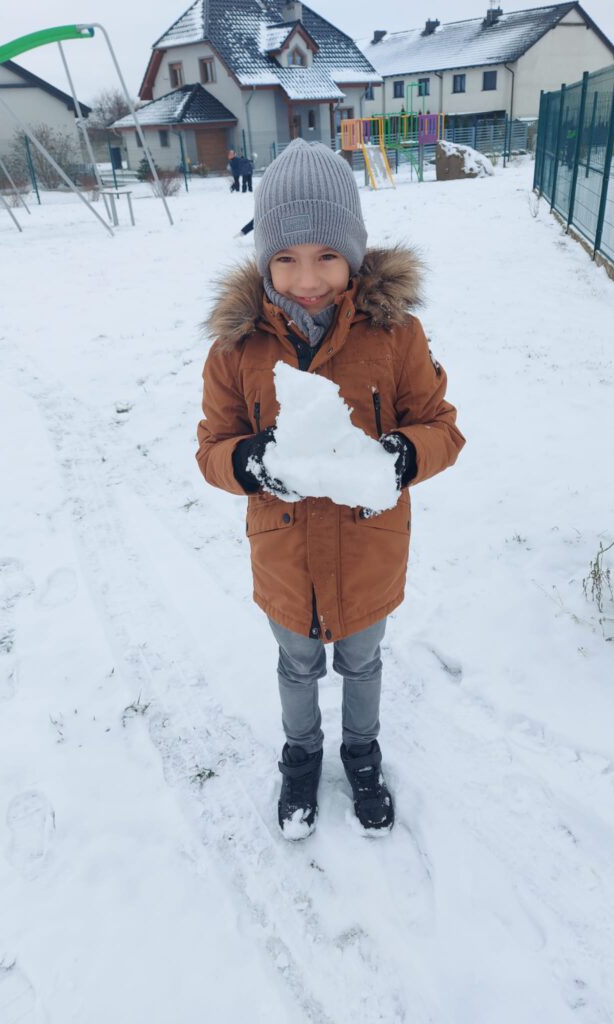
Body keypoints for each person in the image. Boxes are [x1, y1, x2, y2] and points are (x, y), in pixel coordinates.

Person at [197, 139, 465, 839]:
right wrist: (247, 460)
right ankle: (302, 755)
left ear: (352, 251)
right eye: (284, 257)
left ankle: (361, 751)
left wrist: (403, 456)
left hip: (368, 550)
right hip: (284, 555)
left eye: (325, 256)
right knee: (295, 663)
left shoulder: (395, 334)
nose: (306, 277)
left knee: (363, 660)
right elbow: (211, 448)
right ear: (264, 261)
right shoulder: (239, 346)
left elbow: (441, 426)